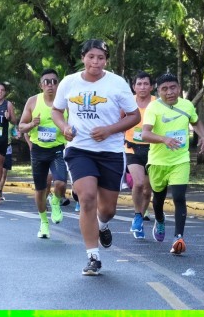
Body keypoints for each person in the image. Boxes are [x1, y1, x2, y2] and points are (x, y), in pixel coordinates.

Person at [51, 39, 140, 276]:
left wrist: (109, 130)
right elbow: (56, 110)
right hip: (79, 149)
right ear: (83, 58)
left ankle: (102, 225)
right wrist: (64, 127)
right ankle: (93, 257)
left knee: (108, 209)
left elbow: (134, 116)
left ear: (106, 60)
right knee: (87, 197)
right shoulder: (69, 82)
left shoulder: (117, 83)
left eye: (100, 58)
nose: (95, 62)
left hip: (111, 152)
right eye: (91, 57)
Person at [140, 73, 204, 254]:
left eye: (173, 88)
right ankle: (160, 220)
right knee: (158, 200)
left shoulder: (187, 105)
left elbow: (195, 121)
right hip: (158, 162)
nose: (169, 92)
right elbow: (145, 134)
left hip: (180, 160)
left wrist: (203, 136)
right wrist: (164, 139)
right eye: (164, 89)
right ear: (158, 91)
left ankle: (178, 238)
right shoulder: (153, 107)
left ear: (179, 88)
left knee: (179, 197)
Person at [19, 69, 70, 239]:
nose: (50, 85)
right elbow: (21, 127)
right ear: (41, 85)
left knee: (61, 183)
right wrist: (31, 124)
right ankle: (43, 222)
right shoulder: (33, 101)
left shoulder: (65, 103)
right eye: (47, 82)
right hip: (38, 151)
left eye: (54, 81)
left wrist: (68, 131)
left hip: (57, 149)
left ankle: (55, 201)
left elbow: (73, 125)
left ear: (58, 84)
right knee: (40, 190)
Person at [124, 71, 155, 238]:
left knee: (147, 191)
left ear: (151, 86)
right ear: (133, 87)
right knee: (138, 183)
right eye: (139, 84)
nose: (142, 87)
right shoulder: (128, 103)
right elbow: (119, 122)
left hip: (153, 149)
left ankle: (141, 219)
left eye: (146, 84)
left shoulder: (157, 103)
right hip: (132, 148)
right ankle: (137, 215)